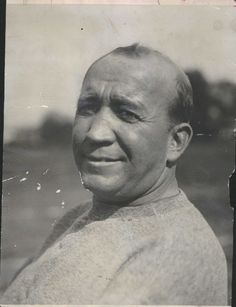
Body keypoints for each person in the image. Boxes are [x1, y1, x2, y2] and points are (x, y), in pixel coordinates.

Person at [1, 44, 227, 305]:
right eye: (88, 107)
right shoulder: (81, 214)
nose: (96, 133)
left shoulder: (174, 253)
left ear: (175, 141)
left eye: (127, 113)